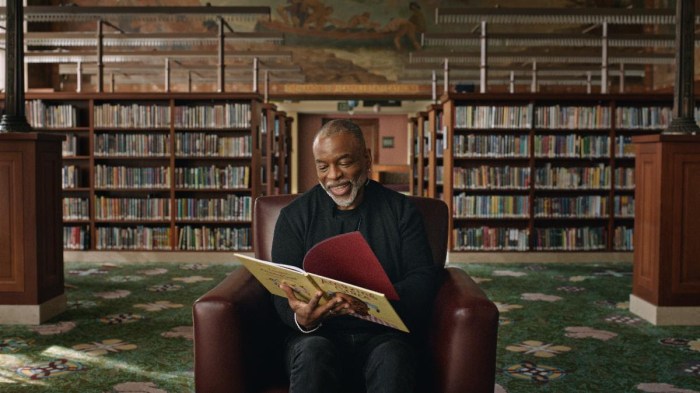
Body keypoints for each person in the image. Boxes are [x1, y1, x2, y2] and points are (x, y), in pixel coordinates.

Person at [271, 119, 439, 393]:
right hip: (318, 334)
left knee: (393, 359)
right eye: (322, 166)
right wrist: (302, 318)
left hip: (384, 333)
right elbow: (281, 288)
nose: (333, 175)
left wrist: (370, 300)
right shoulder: (294, 216)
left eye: (344, 162)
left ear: (367, 158)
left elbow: (423, 277)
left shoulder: (401, 211)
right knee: (312, 353)